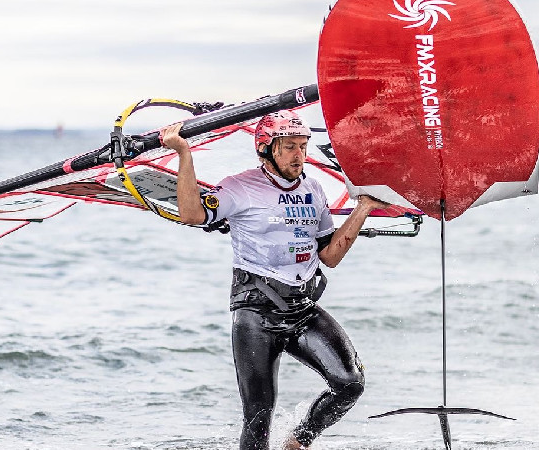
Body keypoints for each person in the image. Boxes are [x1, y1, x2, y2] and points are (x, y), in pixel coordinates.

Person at [160, 110, 387, 450]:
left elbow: (330, 257)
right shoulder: (241, 187)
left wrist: (364, 208)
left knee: (350, 383)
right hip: (256, 313)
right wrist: (184, 152)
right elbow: (192, 214)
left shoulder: (313, 189)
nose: (300, 155)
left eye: (303, 146)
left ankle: (298, 442)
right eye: (289, 147)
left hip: (302, 307)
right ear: (267, 149)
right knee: (258, 414)